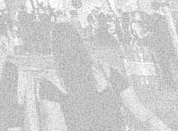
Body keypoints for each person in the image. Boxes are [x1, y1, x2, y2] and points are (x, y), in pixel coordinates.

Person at [38, 24, 171, 131]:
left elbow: (53, 126)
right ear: (81, 45)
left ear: (54, 50)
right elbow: (144, 116)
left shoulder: (51, 84)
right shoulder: (106, 73)